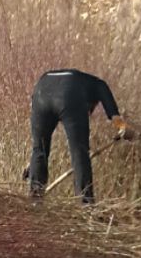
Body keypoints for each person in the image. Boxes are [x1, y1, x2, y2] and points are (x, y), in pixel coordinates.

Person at [25, 68, 127, 206]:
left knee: (39, 150)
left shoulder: (75, 79)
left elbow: (35, 107)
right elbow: (104, 91)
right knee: (79, 151)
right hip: (69, 93)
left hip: (41, 92)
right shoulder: (96, 84)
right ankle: (85, 205)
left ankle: (35, 200)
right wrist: (120, 125)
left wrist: (33, 164)